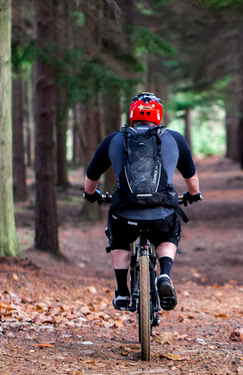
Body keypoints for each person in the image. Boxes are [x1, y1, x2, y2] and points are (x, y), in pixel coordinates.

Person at [83, 92, 202, 311]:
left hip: (125, 213)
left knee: (118, 238)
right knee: (168, 234)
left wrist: (91, 195)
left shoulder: (114, 139)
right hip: (162, 214)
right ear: (159, 115)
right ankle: (164, 275)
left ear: (132, 115)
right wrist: (193, 195)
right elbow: (192, 181)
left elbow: (91, 178)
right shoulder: (174, 138)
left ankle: (121, 291)